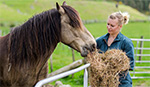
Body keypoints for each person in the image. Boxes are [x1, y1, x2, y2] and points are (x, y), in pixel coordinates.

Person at [96, 11, 134, 87]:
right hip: (103, 83)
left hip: (121, 84)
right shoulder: (99, 41)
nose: (109, 27)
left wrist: (114, 66)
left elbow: (131, 64)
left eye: (112, 26)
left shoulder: (126, 42)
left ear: (120, 26)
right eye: (108, 24)